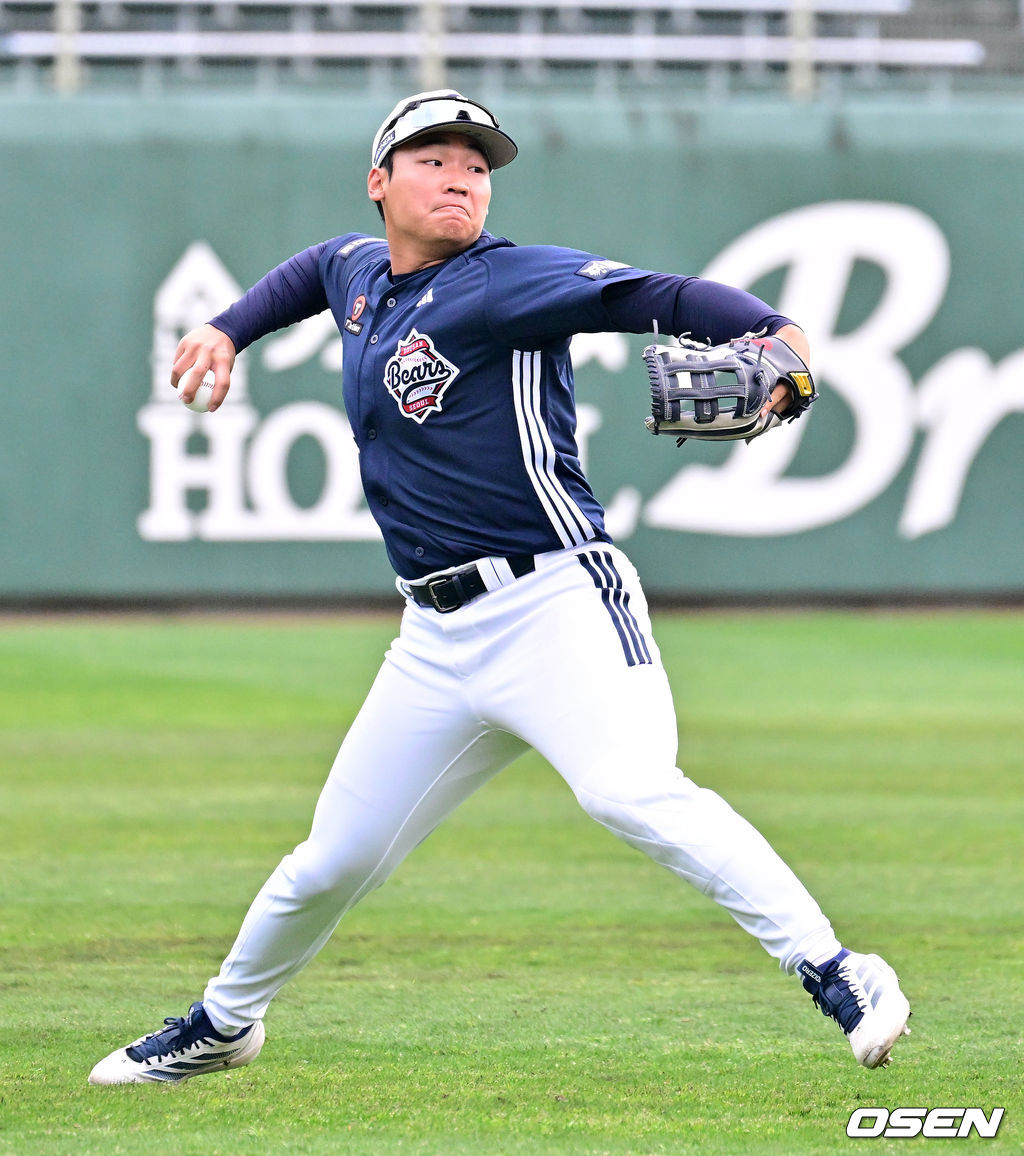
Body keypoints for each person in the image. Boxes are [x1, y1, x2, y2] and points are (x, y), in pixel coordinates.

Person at [89, 90, 910, 1085]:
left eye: (476, 164)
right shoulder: (359, 272)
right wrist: (227, 328)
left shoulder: (506, 282)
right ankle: (223, 1023)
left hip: (556, 602)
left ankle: (839, 969)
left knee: (629, 788)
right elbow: (312, 270)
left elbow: (655, 294)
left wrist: (777, 337)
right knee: (334, 856)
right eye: (432, 158)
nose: (461, 176)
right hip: (433, 637)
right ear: (379, 182)